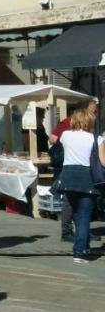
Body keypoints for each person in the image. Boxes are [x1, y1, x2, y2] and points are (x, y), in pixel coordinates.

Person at [55, 106, 105, 263]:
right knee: (84, 215)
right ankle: (80, 251)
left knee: (76, 212)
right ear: (90, 121)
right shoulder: (97, 139)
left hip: (68, 177)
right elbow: (103, 162)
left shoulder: (65, 135)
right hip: (87, 178)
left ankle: (83, 244)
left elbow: (54, 141)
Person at [50, 99, 98, 242]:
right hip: (68, 166)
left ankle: (82, 232)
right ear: (84, 111)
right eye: (93, 110)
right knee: (70, 202)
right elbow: (53, 138)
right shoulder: (69, 123)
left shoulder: (86, 127)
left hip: (77, 168)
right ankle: (67, 231)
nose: (95, 113)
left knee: (78, 202)